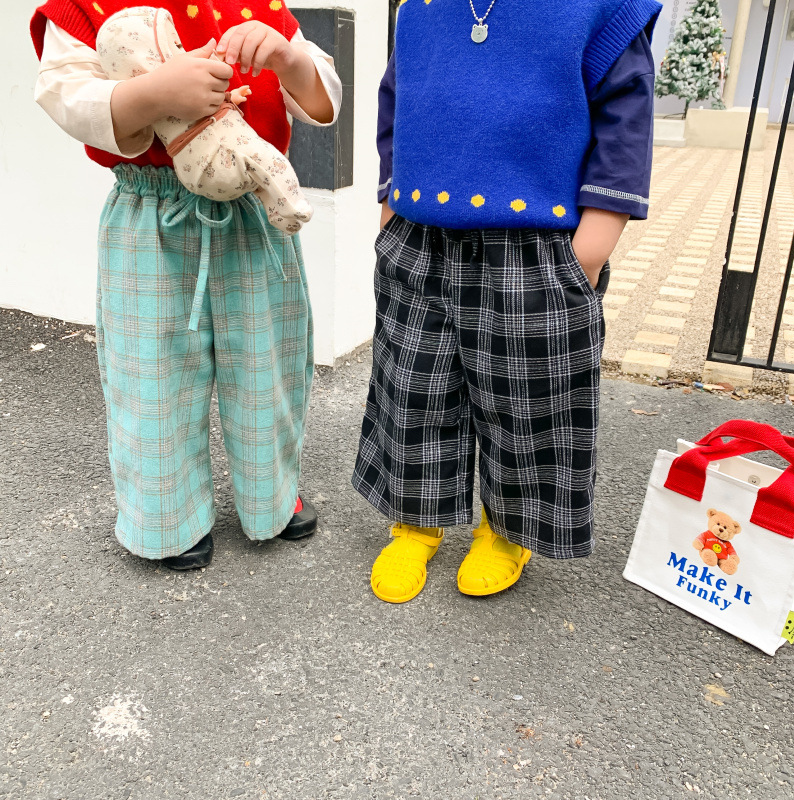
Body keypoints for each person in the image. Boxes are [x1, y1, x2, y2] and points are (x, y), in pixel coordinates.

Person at [354, 0, 661, 602]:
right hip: (419, 235)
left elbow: (628, 113)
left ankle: (506, 529)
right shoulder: (421, 8)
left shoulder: (596, 7)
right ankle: (416, 522)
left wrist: (591, 247)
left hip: (536, 243)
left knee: (527, 398)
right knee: (413, 388)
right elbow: (398, 100)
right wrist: (390, 201)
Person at [31, 0, 342, 570]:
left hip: (253, 207)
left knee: (267, 365)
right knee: (151, 373)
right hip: (152, 214)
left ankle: (271, 495)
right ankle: (164, 515)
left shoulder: (261, 7)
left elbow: (321, 99)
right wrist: (152, 95)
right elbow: (62, 93)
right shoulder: (85, 7)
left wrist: (285, 55)